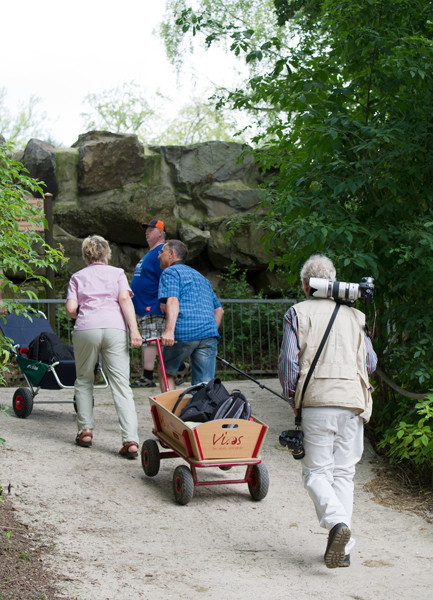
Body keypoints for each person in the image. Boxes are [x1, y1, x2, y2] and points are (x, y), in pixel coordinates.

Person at [278, 254, 377, 569]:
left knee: (316, 473)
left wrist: (293, 398)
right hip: (353, 403)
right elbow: (371, 363)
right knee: (344, 474)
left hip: (317, 403)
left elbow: (289, 364)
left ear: (306, 285)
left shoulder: (297, 313)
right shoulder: (355, 316)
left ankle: (336, 525)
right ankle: (344, 550)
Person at [65, 235, 142, 459]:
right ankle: (130, 441)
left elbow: (71, 309)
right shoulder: (118, 273)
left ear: (85, 255)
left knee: (84, 379)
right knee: (121, 385)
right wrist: (134, 330)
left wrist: (85, 314)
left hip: (86, 328)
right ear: (107, 253)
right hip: (115, 329)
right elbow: (125, 300)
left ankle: (85, 431)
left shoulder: (77, 277)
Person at [130, 219, 191, 387]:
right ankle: (178, 367)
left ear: (161, 233)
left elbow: (166, 275)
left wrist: (163, 299)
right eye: (146, 229)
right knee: (153, 341)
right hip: (144, 305)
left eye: (151, 229)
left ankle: (149, 376)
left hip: (153, 306)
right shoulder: (151, 254)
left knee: (152, 340)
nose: (147, 231)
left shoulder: (161, 252)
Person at [157, 239, 224, 392]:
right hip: (209, 335)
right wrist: (210, 331)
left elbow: (173, 300)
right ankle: (203, 414)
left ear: (172, 254)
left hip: (184, 331)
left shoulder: (171, 272)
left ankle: (171, 412)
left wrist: (169, 331)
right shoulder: (202, 278)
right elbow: (219, 310)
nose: (158, 256)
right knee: (205, 385)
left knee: (166, 371)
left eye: (162, 252)